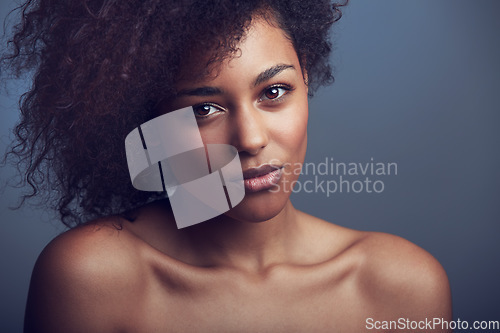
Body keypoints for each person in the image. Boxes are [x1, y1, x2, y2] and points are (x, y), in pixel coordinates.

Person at [1, 0, 452, 332]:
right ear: (151, 122)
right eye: (203, 110)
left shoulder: (400, 287)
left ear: (306, 75)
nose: (251, 139)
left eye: (274, 92)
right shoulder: (93, 278)